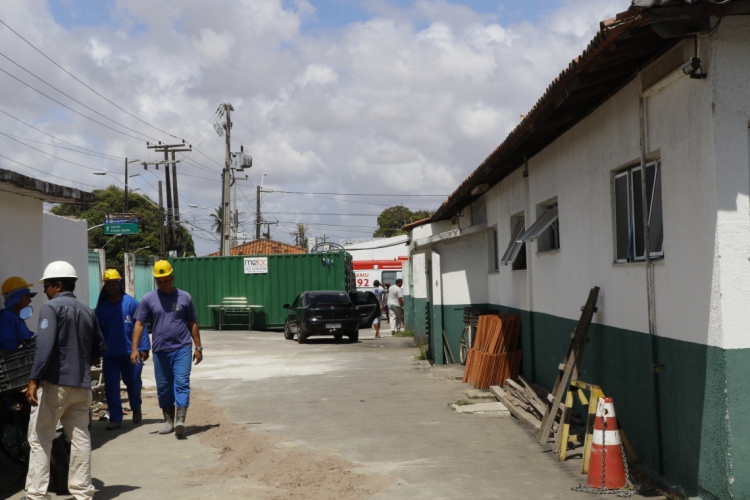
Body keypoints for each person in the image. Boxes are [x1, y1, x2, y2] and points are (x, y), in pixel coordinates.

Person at [25, 261, 106, 500]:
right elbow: (100, 346)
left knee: (40, 438)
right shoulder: (87, 310)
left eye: (47, 285)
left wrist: (33, 379)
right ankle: (82, 493)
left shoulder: (51, 308)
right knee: (80, 439)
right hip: (81, 387)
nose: (44, 290)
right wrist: (82, 364)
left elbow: (44, 346)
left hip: (55, 385)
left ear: (58, 285)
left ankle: (36, 495)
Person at [131, 260, 202, 439]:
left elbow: (192, 322)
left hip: (182, 348)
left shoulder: (185, 297)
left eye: (166, 280)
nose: (163, 284)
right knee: (163, 387)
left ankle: (180, 420)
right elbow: (139, 324)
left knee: (182, 382)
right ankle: (169, 421)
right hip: (161, 350)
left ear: (172, 277)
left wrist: (198, 347)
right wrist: (135, 349)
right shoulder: (148, 299)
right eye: (159, 281)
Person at [94, 269, 151, 431]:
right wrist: (96, 352)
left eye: (114, 284)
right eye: (108, 284)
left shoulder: (131, 303)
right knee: (111, 387)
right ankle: (115, 418)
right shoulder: (101, 308)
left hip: (132, 353)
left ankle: (136, 407)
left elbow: (142, 325)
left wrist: (144, 348)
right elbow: (97, 331)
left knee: (133, 383)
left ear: (119, 284)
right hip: (110, 354)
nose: (111, 287)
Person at [0, 276, 36, 350]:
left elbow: (27, 336)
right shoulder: (7, 317)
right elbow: (6, 342)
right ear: (16, 298)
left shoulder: (16, 317)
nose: (30, 301)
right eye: (27, 297)